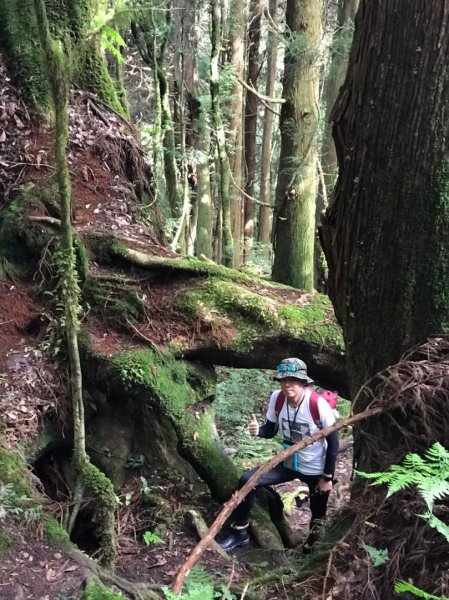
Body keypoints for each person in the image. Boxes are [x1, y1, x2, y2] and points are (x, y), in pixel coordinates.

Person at [218, 357, 339, 554]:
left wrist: (327, 477)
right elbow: (271, 430)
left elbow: (333, 442)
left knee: (318, 512)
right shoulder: (278, 398)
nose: (287, 384)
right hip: (288, 463)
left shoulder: (317, 404)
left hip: (315, 468)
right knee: (248, 480)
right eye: (283, 379)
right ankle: (240, 532)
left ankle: (310, 547)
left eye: (292, 379)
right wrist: (258, 431)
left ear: (303, 382)